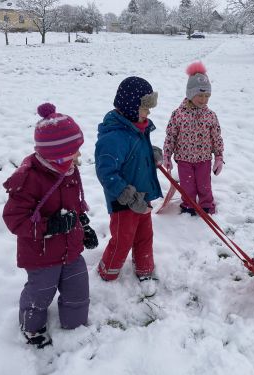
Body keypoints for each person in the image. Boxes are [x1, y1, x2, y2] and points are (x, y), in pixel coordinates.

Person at [3, 103, 98, 349]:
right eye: (75, 152)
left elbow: (75, 204)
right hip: (41, 254)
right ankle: (32, 328)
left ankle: (74, 327)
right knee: (40, 294)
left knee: (78, 289)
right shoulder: (29, 179)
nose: (79, 157)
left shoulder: (68, 170)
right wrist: (49, 226)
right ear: (58, 154)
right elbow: (15, 219)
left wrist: (84, 226)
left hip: (71, 248)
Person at [94, 76, 163, 297]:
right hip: (124, 202)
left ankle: (144, 268)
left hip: (143, 198)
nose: (148, 113)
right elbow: (106, 172)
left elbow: (135, 151)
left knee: (145, 235)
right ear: (131, 107)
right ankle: (108, 273)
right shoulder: (113, 137)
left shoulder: (137, 126)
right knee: (122, 240)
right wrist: (127, 195)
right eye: (145, 108)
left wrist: (149, 154)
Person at [163, 61, 224, 216]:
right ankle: (189, 205)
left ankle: (206, 205)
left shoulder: (210, 115)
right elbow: (170, 135)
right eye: (199, 95)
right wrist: (167, 154)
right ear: (190, 94)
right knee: (187, 185)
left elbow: (216, 137)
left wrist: (218, 156)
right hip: (184, 159)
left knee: (204, 185)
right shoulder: (178, 114)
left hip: (203, 158)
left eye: (206, 96)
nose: (203, 100)